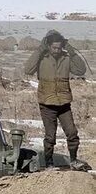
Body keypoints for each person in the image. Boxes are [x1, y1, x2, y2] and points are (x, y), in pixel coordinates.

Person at [24, 30, 87, 170]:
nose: (57, 50)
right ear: (48, 45)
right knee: (50, 137)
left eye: (59, 47)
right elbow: (28, 70)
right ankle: (49, 163)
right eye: (54, 47)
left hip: (64, 103)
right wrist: (39, 50)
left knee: (72, 133)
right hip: (47, 104)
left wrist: (70, 50)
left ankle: (73, 160)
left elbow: (81, 70)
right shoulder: (42, 58)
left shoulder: (66, 58)